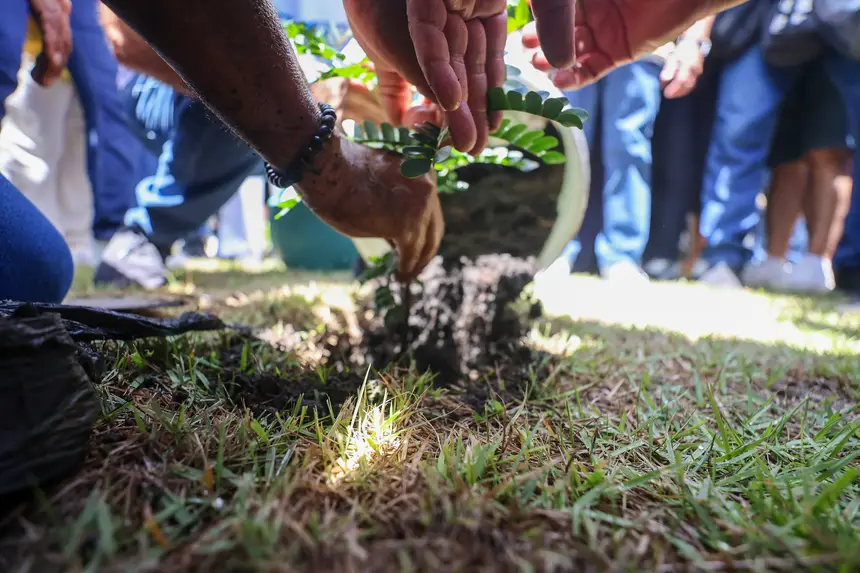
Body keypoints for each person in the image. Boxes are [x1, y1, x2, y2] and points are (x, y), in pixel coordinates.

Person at [0, 0, 752, 302]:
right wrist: (311, 124)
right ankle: (145, 231)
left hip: (300, 119)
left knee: (33, 273)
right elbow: (124, 35)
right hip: (168, 91)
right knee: (237, 97)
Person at [554, 18, 714, 283]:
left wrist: (693, 42)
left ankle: (622, 255)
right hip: (576, 36)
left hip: (643, 41)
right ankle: (560, 248)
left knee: (629, 148)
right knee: (571, 142)